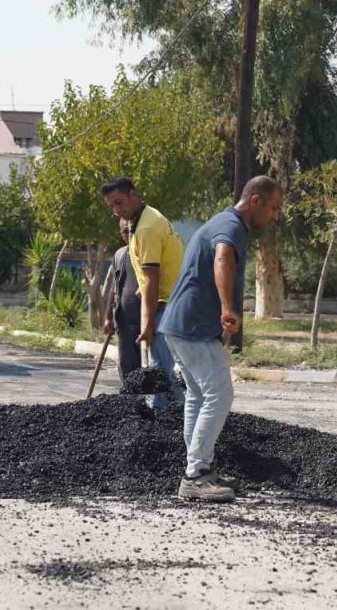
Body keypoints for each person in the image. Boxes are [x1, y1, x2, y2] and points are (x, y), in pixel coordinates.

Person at [160, 175, 283, 502]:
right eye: (273, 208)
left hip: (179, 323)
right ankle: (195, 475)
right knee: (220, 393)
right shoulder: (230, 227)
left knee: (198, 396)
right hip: (192, 326)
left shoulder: (225, 222)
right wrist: (228, 308)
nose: (275, 215)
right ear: (255, 201)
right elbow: (223, 257)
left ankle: (201, 468)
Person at [99, 176, 184, 410]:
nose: (116, 210)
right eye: (112, 206)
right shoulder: (143, 221)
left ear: (132, 194)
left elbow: (151, 280)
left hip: (167, 304)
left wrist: (147, 325)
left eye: (119, 202)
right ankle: (175, 414)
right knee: (162, 371)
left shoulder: (146, 228)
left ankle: (166, 417)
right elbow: (150, 274)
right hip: (169, 301)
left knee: (159, 372)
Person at [102, 218, 142, 383]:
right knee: (127, 370)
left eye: (133, 230)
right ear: (121, 233)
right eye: (126, 231)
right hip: (124, 323)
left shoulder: (146, 252)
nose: (130, 234)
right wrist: (108, 317)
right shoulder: (119, 255)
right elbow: (114, 287)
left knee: (147, 372)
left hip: (145, 323)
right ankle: (129, 397)